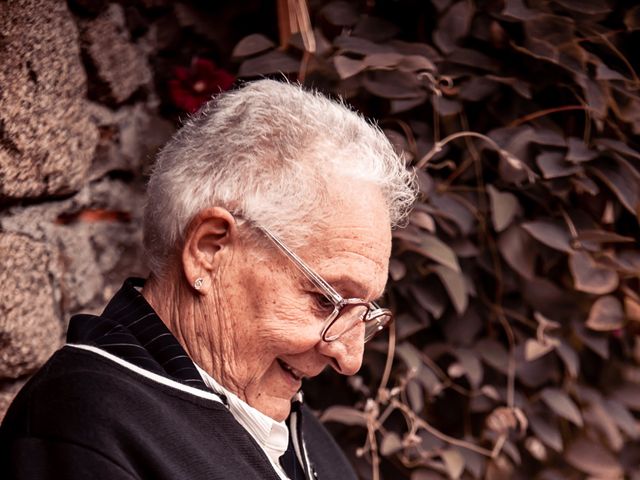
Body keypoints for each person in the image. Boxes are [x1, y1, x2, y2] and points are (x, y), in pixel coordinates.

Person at [0, 80, 417, 479]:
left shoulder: (274, 409)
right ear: (208, 250)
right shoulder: (82, 430)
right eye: (327, 300)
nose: (350, 359)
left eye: (365, 315)